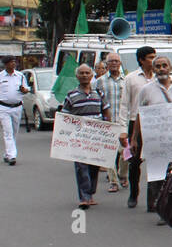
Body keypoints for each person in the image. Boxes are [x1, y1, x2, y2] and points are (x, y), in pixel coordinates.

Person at [133, 55, 172, 221]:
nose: (161, 69)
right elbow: (139, 114)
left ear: (170, 68)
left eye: (164, 65)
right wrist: (134, 138)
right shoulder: (146, 90)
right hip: (156, 141)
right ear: (153, 69)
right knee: (158, 175)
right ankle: (161, 209)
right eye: (157, 66)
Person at [61, 63, 112, 208]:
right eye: (81, 73)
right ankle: (85, 197)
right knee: (81, 167)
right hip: (79, 137)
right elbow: (65, 116)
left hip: (96, 137)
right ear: (77, 76)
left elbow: (106, 111)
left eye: (86, 73)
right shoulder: (71, 95)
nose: (84, 76)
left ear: (91, 75)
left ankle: (90, 192)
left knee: (94, 166)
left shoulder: (99, 93)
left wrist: (108, 128)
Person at [124, 45, 157, 208]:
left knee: (155, 162)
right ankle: (133, 194)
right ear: (141, 60)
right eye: (150, 57)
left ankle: (152, 199)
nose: (154, 60)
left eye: (155, 56)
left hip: (155, 124)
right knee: (134, 161)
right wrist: (124, 131)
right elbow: (125, 105)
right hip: (135, 123)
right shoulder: (131, 79)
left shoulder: (160, 78)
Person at [94, 52, 129, 193]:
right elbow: (96, 100)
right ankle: (113, 181)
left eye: (116, 61)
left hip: (123, 122)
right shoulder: (100, 81)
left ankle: (122, 175)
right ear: (106, 64)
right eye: (111, 61)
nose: (114, 63)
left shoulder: (126, 80)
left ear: (120, 64)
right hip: (107, 122)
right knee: (109, 154)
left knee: (125, 153)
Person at [0, 55, 30, 165]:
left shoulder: (20, 76)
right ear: (6, 64)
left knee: (14, 132)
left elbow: (26, 89)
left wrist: (24, 90)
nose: (13, 64)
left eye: (14, 62)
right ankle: (12, 156)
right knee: (8, 132)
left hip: (17, 107)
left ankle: (7, 153)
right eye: (11, 62)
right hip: (3, 108)